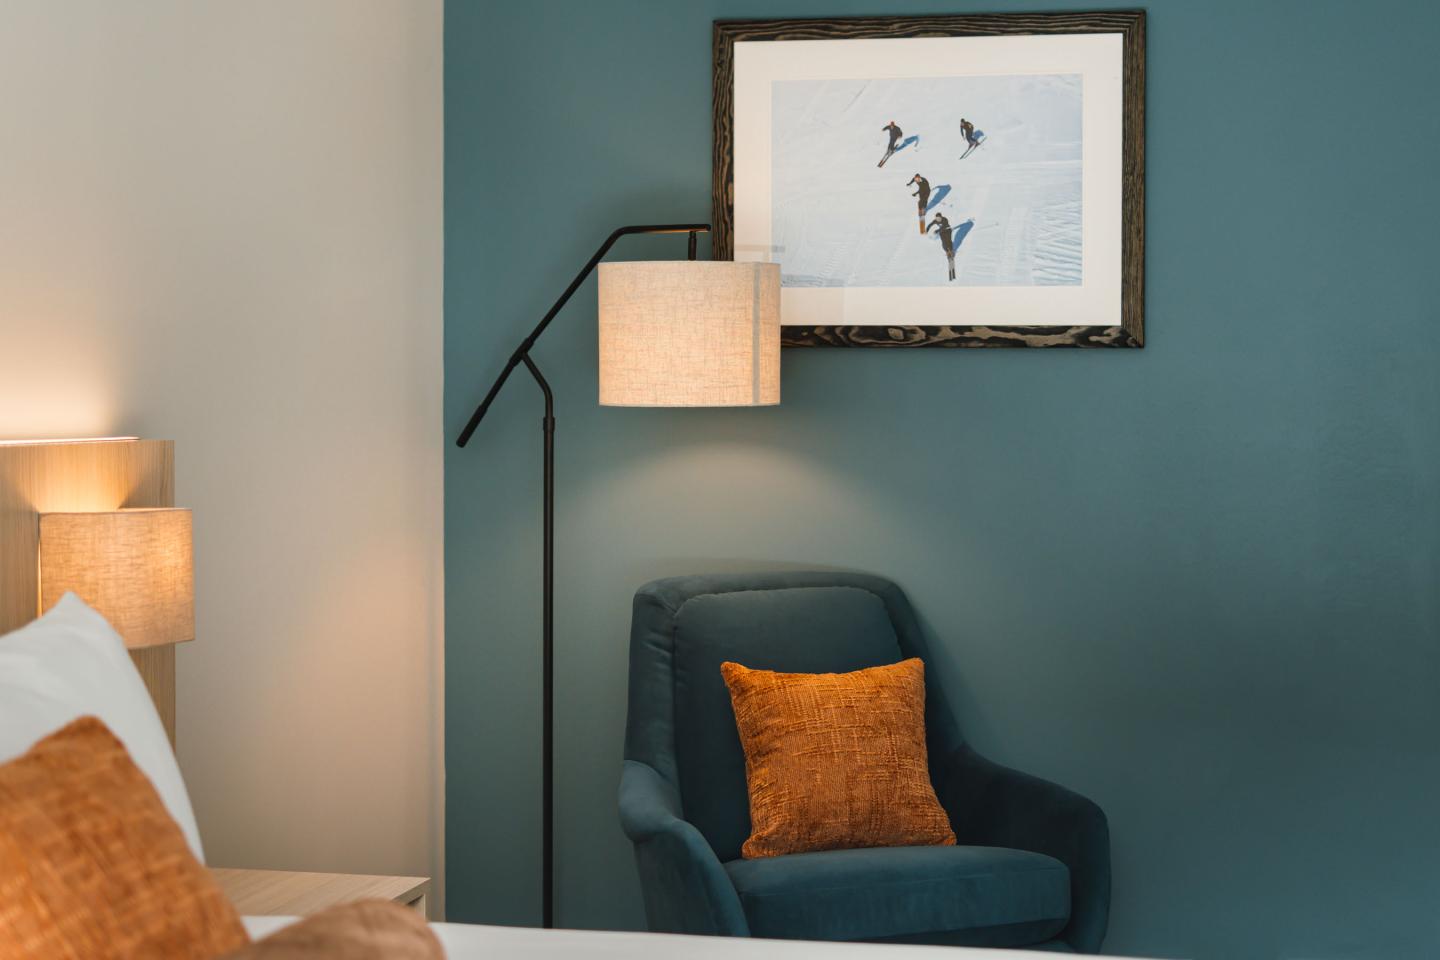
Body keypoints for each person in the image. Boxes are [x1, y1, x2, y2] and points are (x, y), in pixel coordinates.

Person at [926, 212, 957, 281]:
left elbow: (944, 226)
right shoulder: (935, 221)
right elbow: (931, 224)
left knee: (948, 241)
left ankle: (951, 251)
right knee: (944, 243)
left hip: (948, 230)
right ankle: (947, 252)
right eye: (937, 218)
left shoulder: (945, 219)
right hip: (942, 232)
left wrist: (937, 230)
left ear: (941, 217)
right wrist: (927, 229)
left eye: (939, 218)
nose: (938, 219)